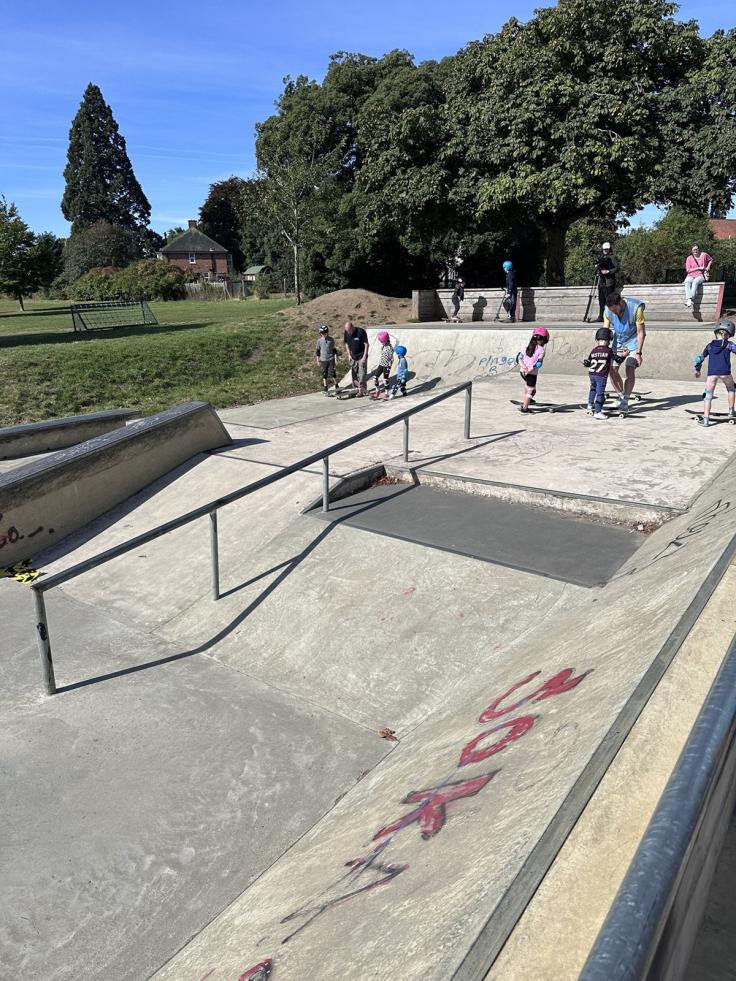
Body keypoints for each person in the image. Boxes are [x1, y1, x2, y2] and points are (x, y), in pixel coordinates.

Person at [603, 292, 646, 415]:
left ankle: (626, 400)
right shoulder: (607, 310)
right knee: (612, 369)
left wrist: (638, 353)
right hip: (619, 341)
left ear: (620, 302)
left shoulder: (636, 308)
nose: (614, 312)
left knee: (630, 367)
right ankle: (621, 396)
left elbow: (640, 332)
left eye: (615, 309)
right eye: (612, 310)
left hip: (633, 341)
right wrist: (604, 349)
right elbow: (606, 330)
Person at [693, 319, 736, 427]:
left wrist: (697, 370)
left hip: (711, 374)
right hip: (726, 373)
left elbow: (700, 358)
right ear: (729, 334)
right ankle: (731, 410)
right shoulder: (730, 345)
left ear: (716, 332)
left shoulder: (710, 346)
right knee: (731, 388)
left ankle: (706, 419)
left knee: (708, 395)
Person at [583, 326, 615, 419]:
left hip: (592, 374)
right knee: (600, 393)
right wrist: (624, 355)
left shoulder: (594, 350)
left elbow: (588, 362)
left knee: (593, 389)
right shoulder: (609, 350)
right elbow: (617, 359)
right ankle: (598, 411)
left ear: (597, 340)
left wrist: (586, 363)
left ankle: (590, 405)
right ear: (609, 340)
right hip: (601, 375)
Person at [516, 327, 549, 412]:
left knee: (530, 388)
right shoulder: (542, 350)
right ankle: (525, 408)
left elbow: (518, 358)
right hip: (531, 374)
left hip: (522, 372)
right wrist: (529, 370)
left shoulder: (527, 347)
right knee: (531, 391)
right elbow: (538, 364)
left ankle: (528, 400)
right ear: (544, 339)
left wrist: (523, 367)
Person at [594, 242, 620, 322]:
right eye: (604, 249)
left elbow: (617, 268)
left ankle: (611, 317)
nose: (606, 250)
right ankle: (601, 316)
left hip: (609, 282)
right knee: (601, 300)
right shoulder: (601, 257)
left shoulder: (612, 257)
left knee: (609, 300)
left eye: (607, 249)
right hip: (601, 282)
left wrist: (609, 271)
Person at [343, 320, 369, 396]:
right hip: (353, 356)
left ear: (352, 327)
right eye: (347, 331)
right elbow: (347, 344)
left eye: (349, 331)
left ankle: (362, 390)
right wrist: (349, 355)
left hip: (361, 356)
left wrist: (364, 356)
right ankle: (357, 389)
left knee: (362, 374)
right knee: (354, 374)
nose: (348, 333)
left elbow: (366, 344)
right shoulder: (346, 332)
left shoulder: (361, 332)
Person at [684, 244, 713, 308]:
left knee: (695, 282)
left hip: (700, 275)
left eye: (697, 249)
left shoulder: (704, 255)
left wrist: (708, 267)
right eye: (694, 249)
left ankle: (691, 299)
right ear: (692, 251)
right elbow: (688, 270)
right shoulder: (689, 258)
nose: (695, 251)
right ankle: (689, 299)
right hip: (691, 275)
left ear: (699, 249)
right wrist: (699, 268)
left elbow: (711, 260)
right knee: (687, 282)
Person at [314, 325, 339, 396]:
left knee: (333, 373)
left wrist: (336, 359)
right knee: (324, 374)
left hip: (331, 359)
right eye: (322, 333)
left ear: (327, 332)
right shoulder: (319, 341)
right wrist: (317, 360)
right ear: (320, 334)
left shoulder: (331, 339)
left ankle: (336, 385)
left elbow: (334, 350)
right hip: (323, 360)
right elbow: (318, 351)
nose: (324, 334)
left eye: (325, 333)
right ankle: (325, 388)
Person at [370, 331, 394, 400]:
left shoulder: (390, 348)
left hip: (386, 366)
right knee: (375, 378)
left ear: (386, 340)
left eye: (382, 341)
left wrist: (389, 367)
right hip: (381, 364)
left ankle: (386, 394)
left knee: (385, 381)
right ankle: (378, 390)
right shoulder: (383, 346)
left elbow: (392, 359)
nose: (381, 343)